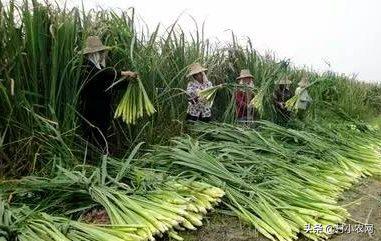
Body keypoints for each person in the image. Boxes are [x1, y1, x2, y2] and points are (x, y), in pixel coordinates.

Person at [80, 36, 138, 153]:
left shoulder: (100, 67)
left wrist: (127, 81)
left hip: (103, 109)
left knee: (102, 133)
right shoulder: (86, 66)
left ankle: (101, 157)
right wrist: (123, 72)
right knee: (93, 134)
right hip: (92, 109)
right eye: (101, 52)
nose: (103, 55)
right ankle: (92, 158)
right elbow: (101, 74)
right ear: (94, 53)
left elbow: (111, 85)